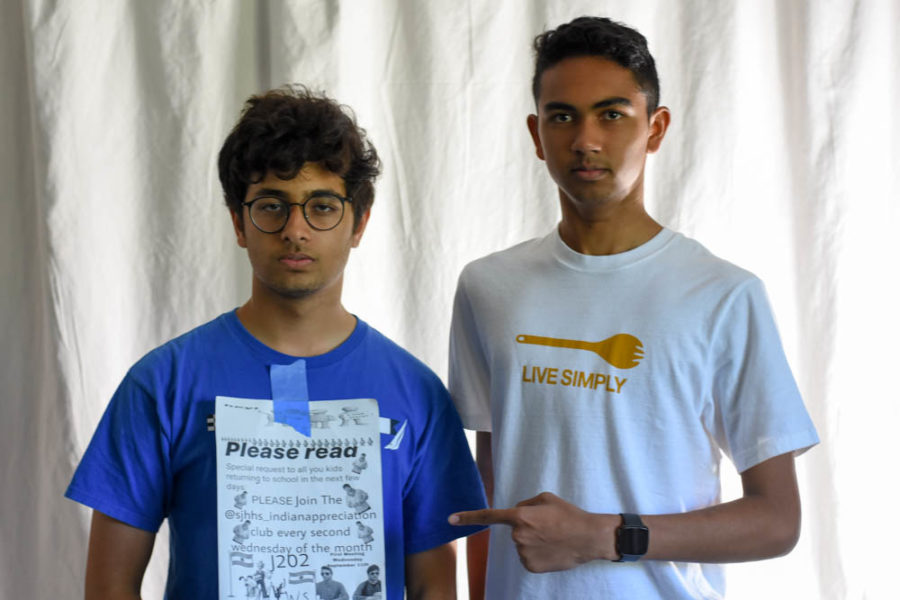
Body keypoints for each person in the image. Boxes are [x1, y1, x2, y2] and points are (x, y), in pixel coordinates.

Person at [447, 16, 819, 600]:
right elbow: (490, 490)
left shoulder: (722, 295)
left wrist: (606, 535)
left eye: (612, 114)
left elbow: (777, 522)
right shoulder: (488, 287)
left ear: (656, 127)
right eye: (562, 116)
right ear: (536, 132)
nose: (586, 140)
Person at [65, 85, 486, 599]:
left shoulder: (417, 393)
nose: (295, 230)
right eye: (271, 206)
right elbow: (110, 587)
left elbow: (435, 589)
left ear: (360, 221)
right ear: (239, 222)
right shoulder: (162, 384)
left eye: (323, 206)